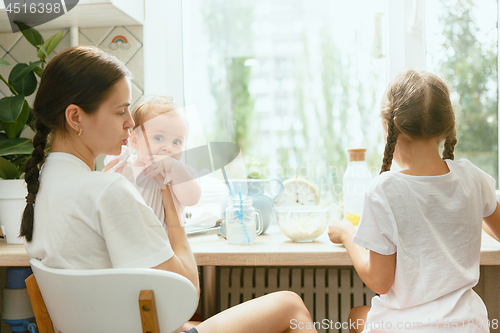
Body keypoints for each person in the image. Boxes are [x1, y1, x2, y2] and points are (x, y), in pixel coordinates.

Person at [20, 45, 317, 333]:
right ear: (75, 118)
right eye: (120, 111)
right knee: (291, 306)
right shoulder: (107, 189)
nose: (130, 123)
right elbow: (185, 296)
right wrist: (172, 209)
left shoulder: (43, 182)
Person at [328, 70, 500, 333]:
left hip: (408, 327)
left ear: (388, 125)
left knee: (354, 316)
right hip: (470, 326)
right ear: (447, 126)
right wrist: (470, 213)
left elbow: (380, 282)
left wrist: (347, 234)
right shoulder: (472, 177)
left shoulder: (384, 190)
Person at [103, 95, 202, 229]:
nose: (168, 148)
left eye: (176, 142)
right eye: (158, 138)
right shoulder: (121, 166)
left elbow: (192, 199)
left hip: (162, 246)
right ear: (135, 141)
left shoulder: (176, 173)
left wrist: (174, 168)